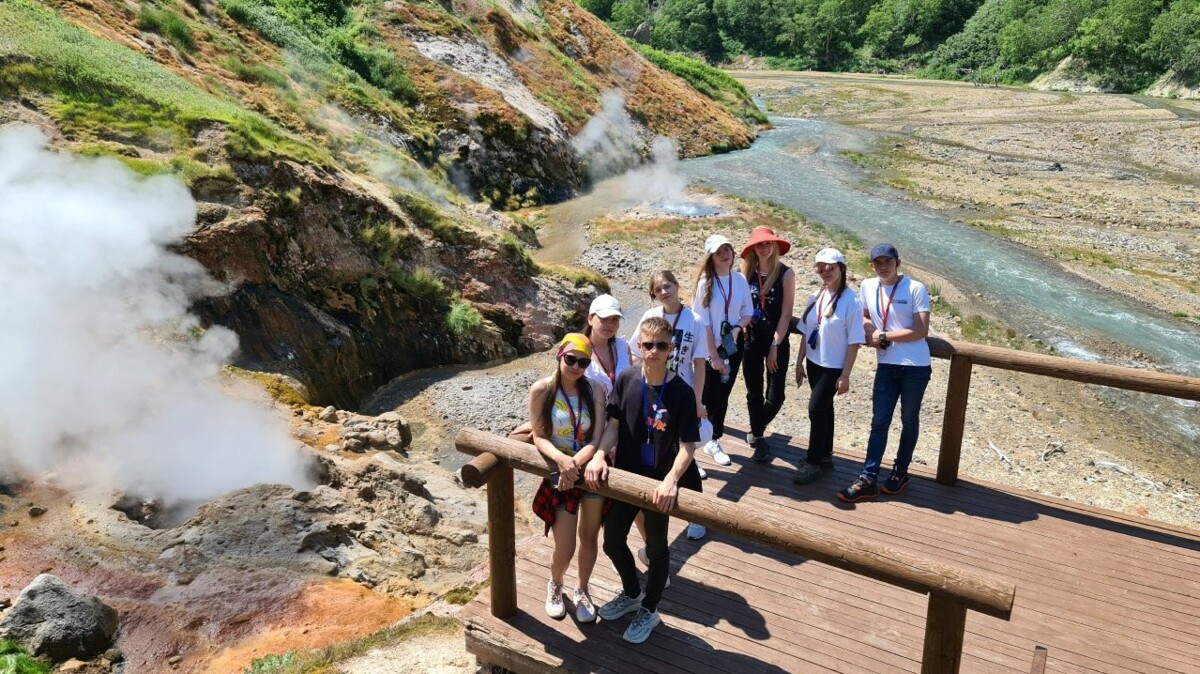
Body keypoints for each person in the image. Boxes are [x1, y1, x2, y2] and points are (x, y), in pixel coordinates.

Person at [586, 317, 702, 644]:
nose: (653, 351)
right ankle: (633, 593)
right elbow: (612, 426)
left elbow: (688, 447)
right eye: (648, 345)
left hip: (658, 486)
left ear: (671, 349)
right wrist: (598, 455)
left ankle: (650, 609)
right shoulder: (626, 379)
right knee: (612, 541)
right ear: (639, 345)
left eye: (661, 346)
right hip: (625, 478)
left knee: (656, 547)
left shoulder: (680, 391)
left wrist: (671, 480)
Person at [838, 243, 932, 503]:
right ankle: (868, 478)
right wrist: (869, 330)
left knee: (909, 419)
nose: (883, 266)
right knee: (879, 422)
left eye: (887, 262)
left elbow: (921, 330)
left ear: (898, 263)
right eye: (878, 262)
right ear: (872, 265)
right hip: (886, 365)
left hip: (915, 367)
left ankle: (901, 472)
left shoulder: (915, 288)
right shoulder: (868, 286)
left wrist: (884, 335)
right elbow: (865, 315)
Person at [528, 334, 608, 621]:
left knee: (589, 537)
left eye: (583, 362)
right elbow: (538, 435)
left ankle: (583, 589)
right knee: (565, 545)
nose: (576, 366)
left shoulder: (595, 390)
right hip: (559, 471)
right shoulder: (542, 390)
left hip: (588, 472)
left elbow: (597, 437)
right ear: (560, 355)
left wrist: (574, 464)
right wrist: (561, 462)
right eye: (571, 359)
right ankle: (556, 584)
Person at [629, 270, 710, 541]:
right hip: (652, 392)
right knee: (659, 447)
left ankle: (696, 514)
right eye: (658, 290)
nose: (664, 292)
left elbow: (699, 364)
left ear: (677, 286)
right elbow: (635, 352)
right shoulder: (649, 318)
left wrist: (697, 401)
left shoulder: (694, 320)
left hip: (680, 394)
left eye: (668, 286)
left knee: (686, 451)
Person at [792, 248, 864, 485]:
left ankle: (813, 463)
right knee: (825, 409)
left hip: (832, 366)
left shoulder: (851, 302)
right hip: (814, 362)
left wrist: (845, 374)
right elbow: (806, 331)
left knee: (815, 409)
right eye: (821, 267)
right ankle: (825, 455)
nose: (825, 271)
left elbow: (855, 342)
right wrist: (799, 361)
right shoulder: (817, 295)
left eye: (830, 267)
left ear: (841, 268)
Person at [692, 234, 753, 467]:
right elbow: (703, 323)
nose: (725, 254)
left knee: (724, 395)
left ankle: (713, 439)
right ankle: (694, 445)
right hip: (711, 348)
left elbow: (748, 311)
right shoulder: (704, 284)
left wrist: (738, 328)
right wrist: (713, 355)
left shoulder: (739, 279)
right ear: (711, 257)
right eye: (719, 252)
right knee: (707, 396)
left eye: (728, 249)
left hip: (733, 345)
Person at [740, 226, 796, 463]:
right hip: (751, 340)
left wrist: (775, 345)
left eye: (767, 244)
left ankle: (755, 428)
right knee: (753, 392)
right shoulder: (746, 273)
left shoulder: (786, 274)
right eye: (759, 244)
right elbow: (740, 308)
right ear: (754, 248)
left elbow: (786, 315)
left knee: (776, 396)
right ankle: (760, 438)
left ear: (774, 247)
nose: (764, 248)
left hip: (776, 340)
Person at [584, 293, 633, 400]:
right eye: (604, 318)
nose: (609, 324)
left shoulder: (623, 347)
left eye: (614, 319)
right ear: (590, 319)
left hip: (620, 414)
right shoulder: (578, 348)